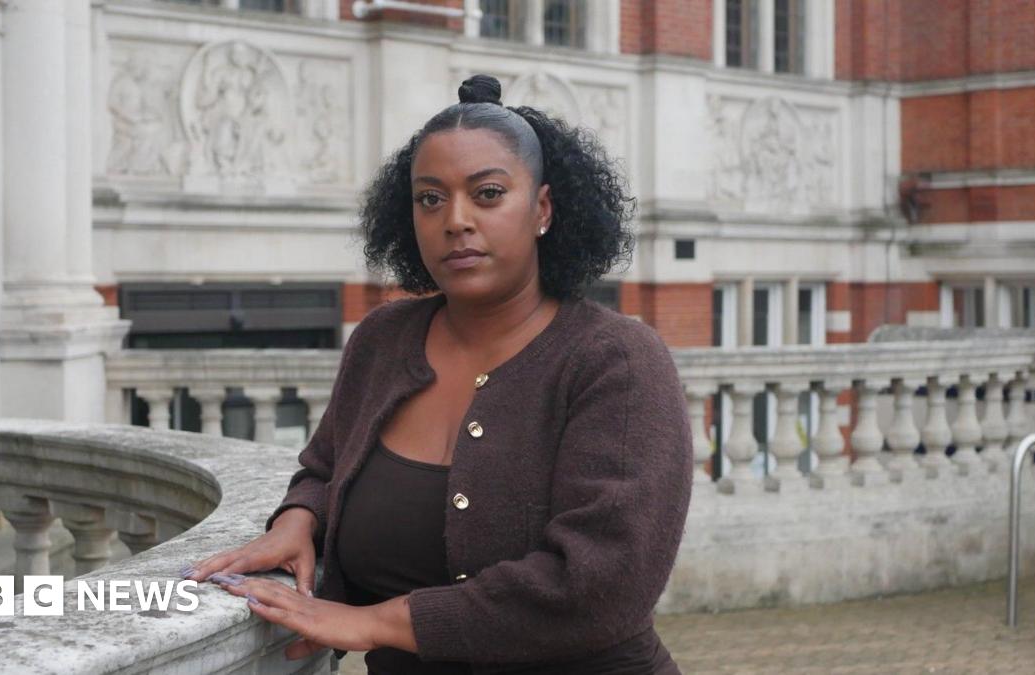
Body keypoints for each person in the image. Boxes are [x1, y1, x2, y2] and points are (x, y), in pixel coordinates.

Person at [182, 74, 693, 674]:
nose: (455, 220)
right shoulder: (382, 339)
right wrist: (299, 520)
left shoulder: (616, 361)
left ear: (543, 210)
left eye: (488, 194)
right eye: (431, 198)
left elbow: (602, 584)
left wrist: (375, 622)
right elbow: (326, 467)